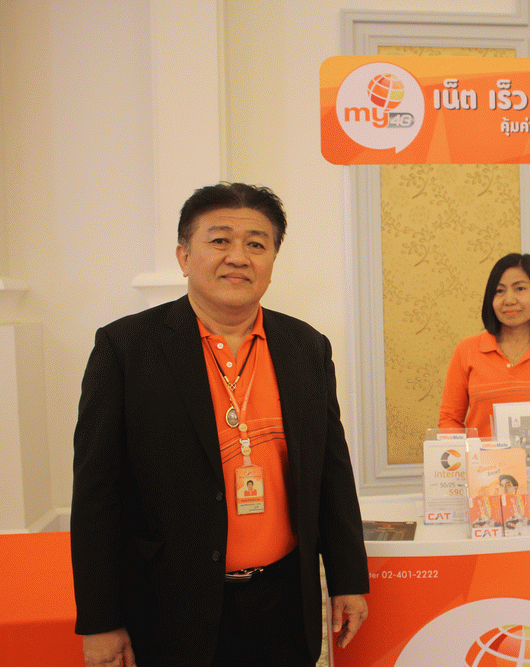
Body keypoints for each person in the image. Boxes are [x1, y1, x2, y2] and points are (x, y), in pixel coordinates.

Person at [71, 183, 369, 667]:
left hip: (282, 602)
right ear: (184, 256)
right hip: (170, 604)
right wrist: (100, 619)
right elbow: (96, 496)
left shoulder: (306, 347)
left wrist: (348, 579)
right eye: (220, 240)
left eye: (257, 243)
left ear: (272, 260)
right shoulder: (127, 349)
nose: (239, 257)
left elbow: (331, 472)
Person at [439, 253, 530, 438]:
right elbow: (450, 419)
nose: (509, 300)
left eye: (520, 288)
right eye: (499, 291)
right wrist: (459, 453)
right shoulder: (467, 350)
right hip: (479, 458)